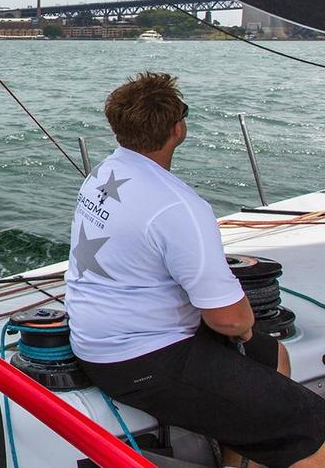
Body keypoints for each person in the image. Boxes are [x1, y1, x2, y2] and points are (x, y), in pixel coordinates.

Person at [65, 72, 325, 468]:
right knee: (311, 427)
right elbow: (229, 320)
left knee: (273, 359)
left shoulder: (105, 174)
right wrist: (242, 322)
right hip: (143, 359)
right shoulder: (179, 208)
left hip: (97, 339)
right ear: (178, 128)